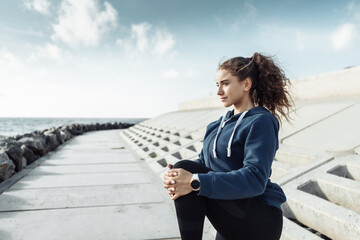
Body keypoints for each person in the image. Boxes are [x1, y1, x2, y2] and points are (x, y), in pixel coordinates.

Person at [163, 52, 293, 240]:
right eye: (217, 85)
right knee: (181, 170)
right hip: (230, 214)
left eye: (225, 83)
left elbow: (255, 178)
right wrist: (174, 175)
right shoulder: (215, 126)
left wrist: (194, 180)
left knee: (187, 171)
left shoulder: (261, 121)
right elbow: (203, 162)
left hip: (258, 219)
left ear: (246, 84)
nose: (218, 91)